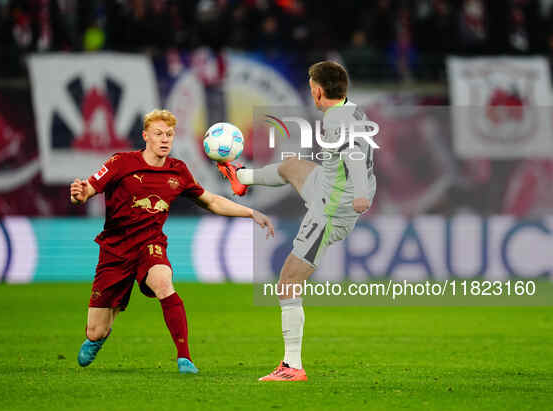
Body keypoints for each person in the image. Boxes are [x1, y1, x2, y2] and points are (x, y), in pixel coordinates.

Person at [71, 109, 274, 373]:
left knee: (164, 283)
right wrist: (79, 194)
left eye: (169, 134)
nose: (164, 139)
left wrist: (250, 212)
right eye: (158, 134)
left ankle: (185, 358)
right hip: (115, 250)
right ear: (145, 136)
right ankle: (100, 334)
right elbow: (88, 188)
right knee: (96, 330)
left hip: (150, 245)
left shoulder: (178, 171)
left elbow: (210, 200)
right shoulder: (120, 162)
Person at [217, 61, 377, 381]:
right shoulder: (353, 112)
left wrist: (361, 193)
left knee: (288, 281)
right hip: (328, 185)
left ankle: (292, 366)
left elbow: (356, 155)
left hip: (330, 210)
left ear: (318, 91)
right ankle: (242, 177)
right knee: (292, 167)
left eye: (310, 86)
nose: (310, 91)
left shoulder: (336, 122)